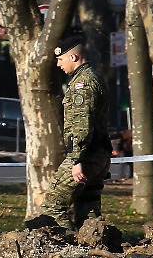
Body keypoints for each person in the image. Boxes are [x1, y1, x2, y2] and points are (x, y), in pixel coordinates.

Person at [38, 34, 113, 230]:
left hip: (86, 156)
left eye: (60, 59)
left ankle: (65, 248)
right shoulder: (92, 77)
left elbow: (82, 123)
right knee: (88, 209)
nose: (57, 65)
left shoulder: (83, 83)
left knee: (52, 207)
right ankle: (96, 247)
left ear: (74, 58)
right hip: (98, 153)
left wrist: (76, 160)